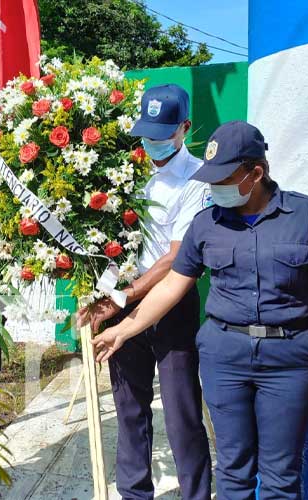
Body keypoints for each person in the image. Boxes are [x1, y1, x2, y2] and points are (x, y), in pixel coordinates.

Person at [92, 121, 308, 500]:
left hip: (288, 360)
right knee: (232, 469)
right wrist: (123, 328)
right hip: (224, 359)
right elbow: (171, 287)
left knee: (281, 475)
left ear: (255, 173)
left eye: (223, 178)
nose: (214, 188)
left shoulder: (305, 216)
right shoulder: (206, 224)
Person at [79, 84, 212, 500]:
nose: (152, 143)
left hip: (170, 304)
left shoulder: (197, 181)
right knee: (129, 407)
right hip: (120, 300)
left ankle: (196, 493)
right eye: (147, 134)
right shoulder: (126, 174)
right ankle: (136, 492)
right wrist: (103, 290)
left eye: (162, 133)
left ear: (184, 128)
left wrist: (125, 295)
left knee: (181, 411)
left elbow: (175, 257)